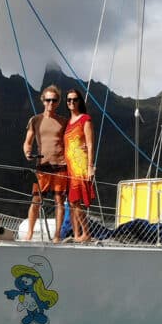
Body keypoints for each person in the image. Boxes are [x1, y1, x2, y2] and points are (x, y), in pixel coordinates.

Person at [22, 85, 68, 242]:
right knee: (35, 200)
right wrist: (27, 152)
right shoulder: (35, 120)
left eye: (54, 100)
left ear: (58, 102)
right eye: (48, 100)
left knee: (59, 201)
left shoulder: (64, 122)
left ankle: (57, 236)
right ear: (43, 100)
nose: (51, 103)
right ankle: (29, 233)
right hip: (42, 166)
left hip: (61, 166)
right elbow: (28, 142)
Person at [64, 90, 96, 242]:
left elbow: (89, 144)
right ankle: (77, 235)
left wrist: (90, 166)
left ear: (80, 101)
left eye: (75, 99)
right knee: (71, 201)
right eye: (69, 100)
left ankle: (86, 233)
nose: (71, 102)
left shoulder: (85, 119)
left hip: (80, 164)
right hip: (69, 166)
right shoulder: (68, 123)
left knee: (75, 200)